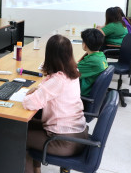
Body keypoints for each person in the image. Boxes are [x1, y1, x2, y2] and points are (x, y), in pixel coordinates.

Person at [23, 35, 88, 173]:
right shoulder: (72, 72)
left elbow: (30, 103)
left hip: (64, 141)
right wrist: (40, 90)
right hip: (80, 135)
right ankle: (36, 170)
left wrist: (29, 94)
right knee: (26, 125)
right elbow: (49, 88)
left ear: (49, 56)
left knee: (20, 136)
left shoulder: (58, 80)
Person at [78, 29, 108, 97]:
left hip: (84, 91)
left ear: (85, 45)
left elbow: (70, 71)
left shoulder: (92, 61)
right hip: (93, 88)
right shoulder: (101, 55)